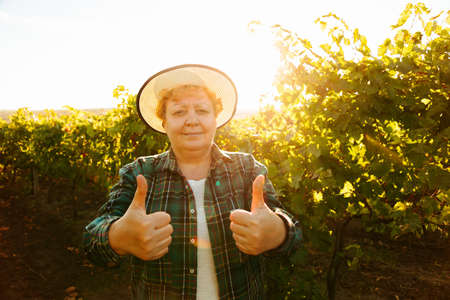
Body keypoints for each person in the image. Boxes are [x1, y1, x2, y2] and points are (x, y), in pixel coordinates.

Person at [83, 64, 302, 299]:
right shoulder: (139, 173)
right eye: (178, 112)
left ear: (215, 118)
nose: (192, 120)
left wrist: (278, 230)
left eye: (202, 110)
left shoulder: (247, 169)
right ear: (164, 122)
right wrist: (118, 236)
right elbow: (92, 240)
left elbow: (292, 230)